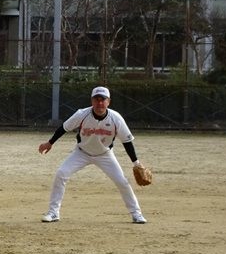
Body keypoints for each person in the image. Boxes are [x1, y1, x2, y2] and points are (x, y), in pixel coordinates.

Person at [38, 86, 147, 224]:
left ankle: (136, 214)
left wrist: (136, 163)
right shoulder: (82, 114)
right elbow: (64, 128)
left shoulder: (116, 118)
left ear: (108, 102)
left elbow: (127, 141)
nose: (99, 103)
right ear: (92, 101)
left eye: (103, 100)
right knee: (61, 174)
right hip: (81, 153)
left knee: (122, 182)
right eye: (96, 99)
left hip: (105, 155)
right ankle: (53, 212)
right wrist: (50, 143)